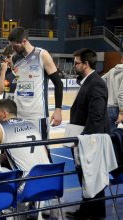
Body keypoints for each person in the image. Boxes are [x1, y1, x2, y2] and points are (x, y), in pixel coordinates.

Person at [67, 48, 109, 220]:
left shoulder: (96, 83)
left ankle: (96, 215)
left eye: (76, 63)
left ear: (85, 64)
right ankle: (88, 212)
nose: (74, 65)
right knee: (86, 178)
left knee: (92, 179)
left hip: (91, 140)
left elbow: (97, 116)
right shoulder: (86, 81)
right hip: (86, 138)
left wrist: (85, 139)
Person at [8, 27, 63, 141]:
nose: (13, 49)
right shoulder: (14, 59)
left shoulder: (42, 55)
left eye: (15, 46)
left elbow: (58, 83)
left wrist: (58, 110)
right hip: (19, 114)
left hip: (37, 115)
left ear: (24, 41)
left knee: (42, 151)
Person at [0, 99, 50, 174]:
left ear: (4, 114)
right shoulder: (31, 124)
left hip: (28, 181)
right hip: (50, 176)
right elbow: (46, 153)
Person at [102, 54, 123, 131]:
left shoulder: (112, 70)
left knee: (110, 137)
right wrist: (121, 112)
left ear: (121, 60)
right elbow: (121, 94)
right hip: (120, 108)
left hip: (109, 107)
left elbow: (101, 81)